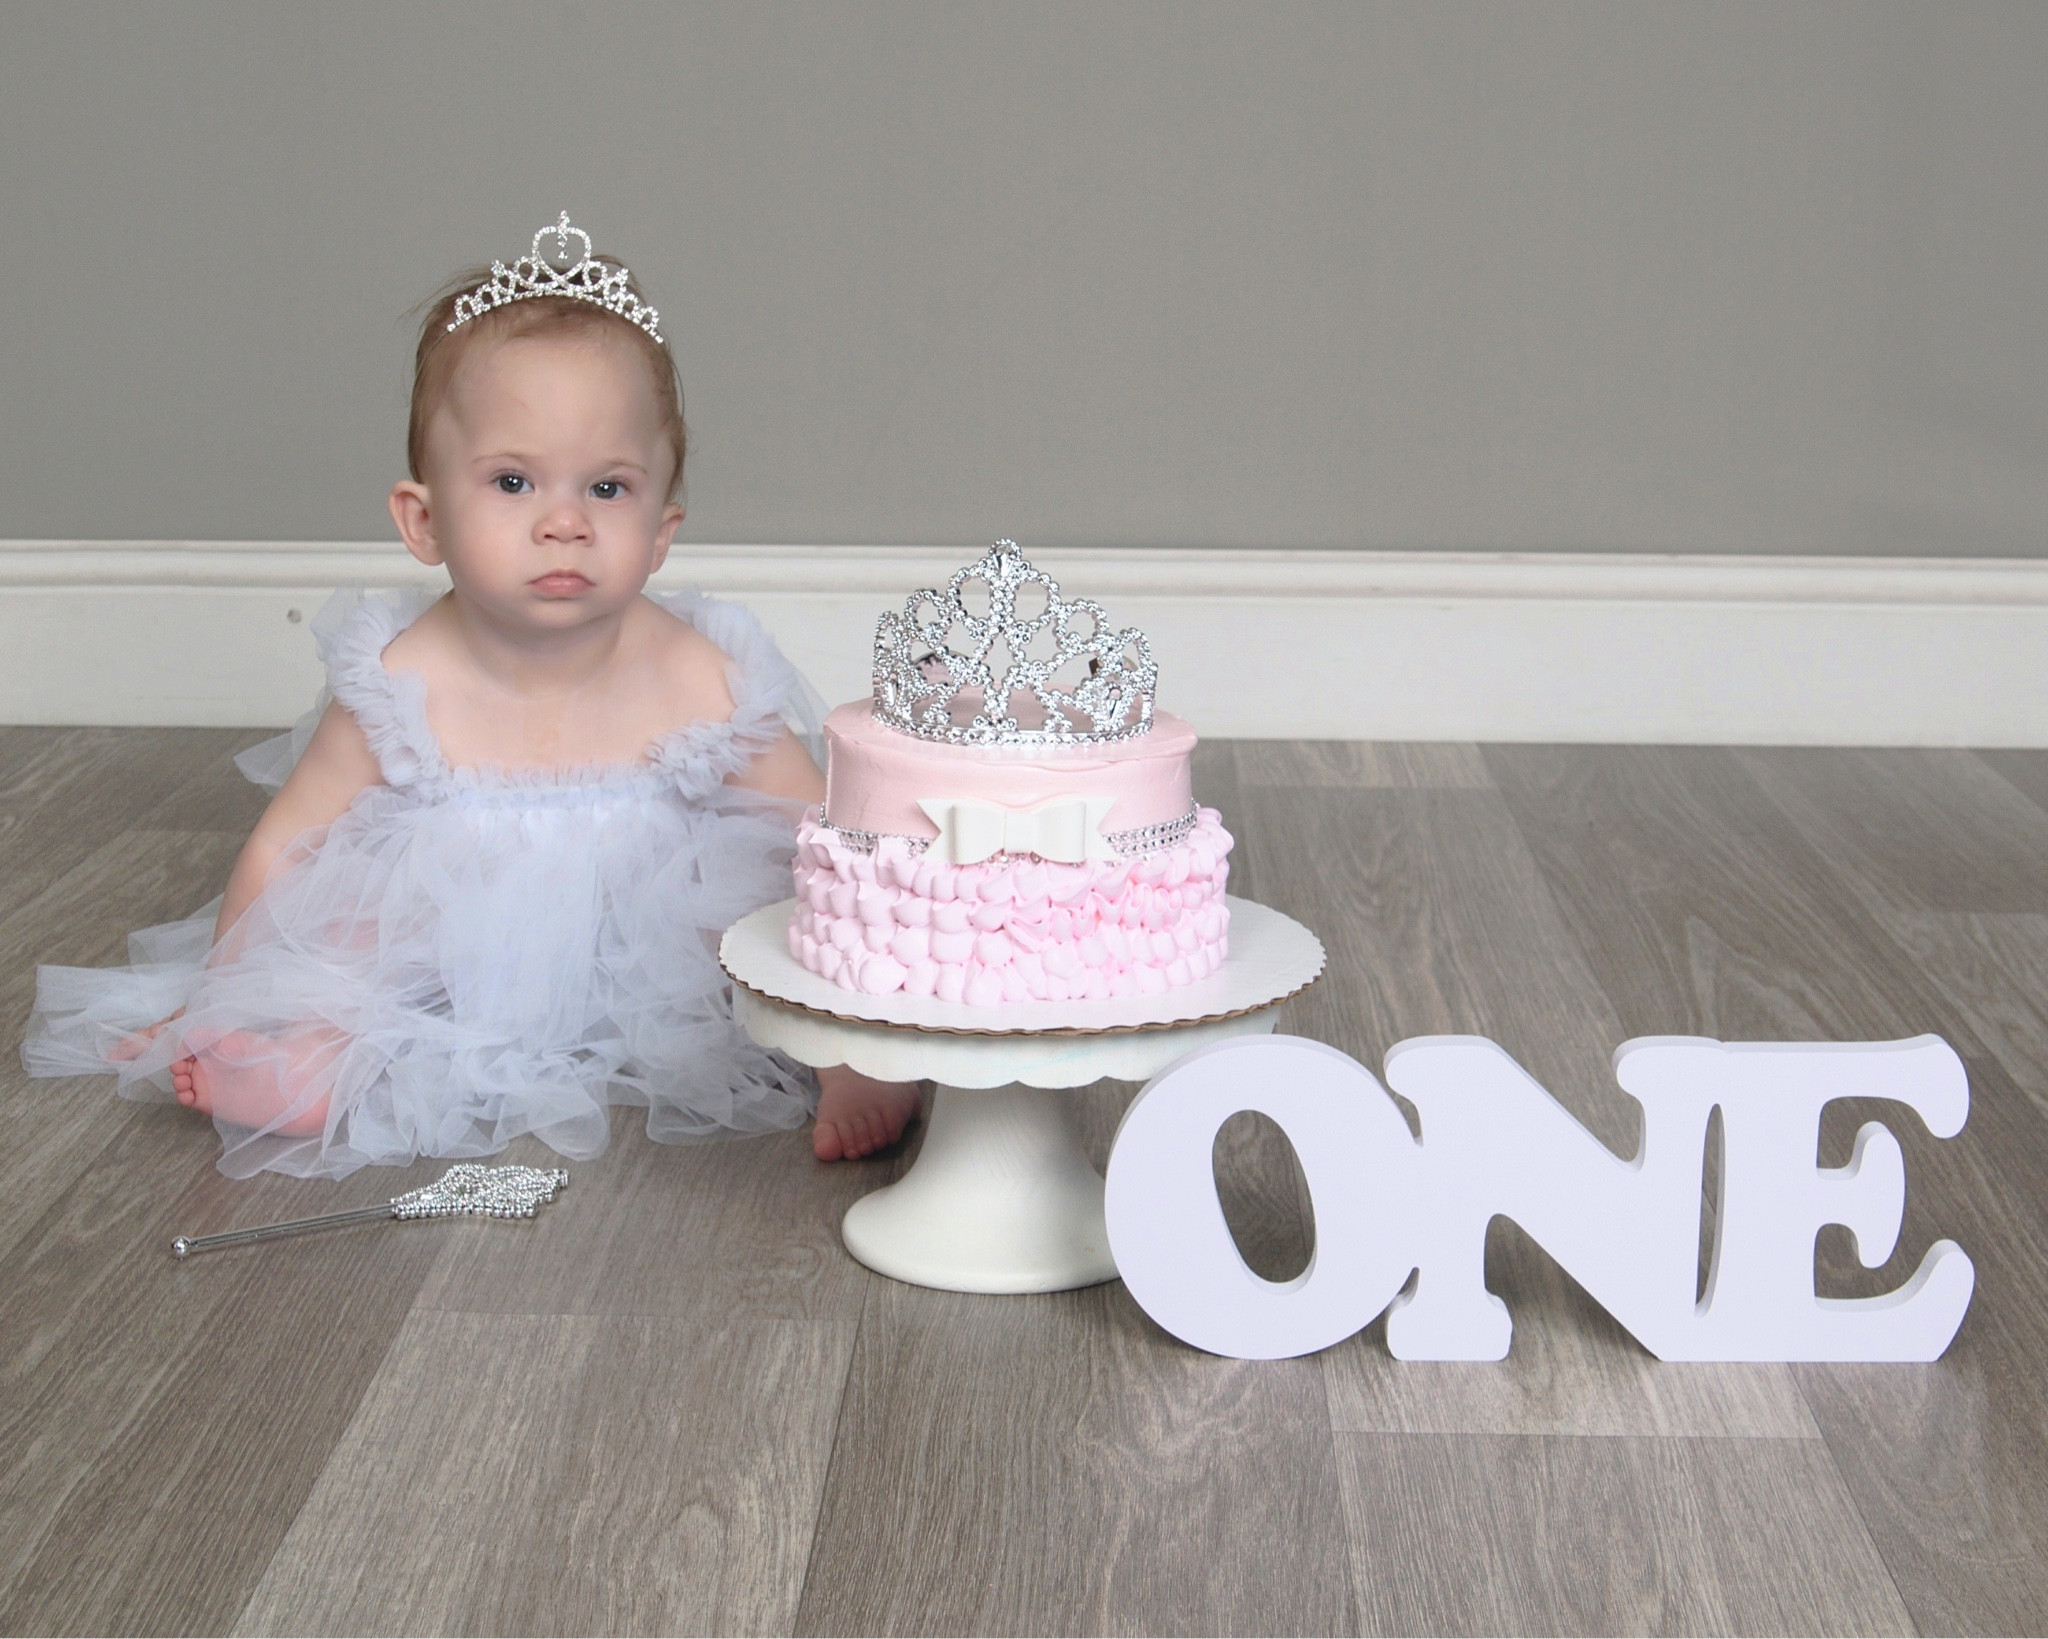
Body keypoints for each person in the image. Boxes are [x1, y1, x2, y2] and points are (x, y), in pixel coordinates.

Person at [23, 214, 920, 1177]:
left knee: (761, 919)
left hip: (655, 965)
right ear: (424, 520)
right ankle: (310, 1060)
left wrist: (878, 944)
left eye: (609, 489)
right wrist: (230, 993)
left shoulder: (698, 672)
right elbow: (289, 841)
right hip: (453, 965)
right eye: (512, 481)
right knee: (357, 927)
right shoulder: (401, 680)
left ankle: (854, 1053)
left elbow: (820, 837)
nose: (565, 522)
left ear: (662, 531)